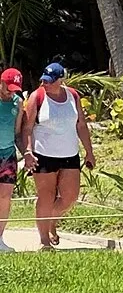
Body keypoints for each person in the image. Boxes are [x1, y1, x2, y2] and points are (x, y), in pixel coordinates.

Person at [19, 60, 94, 250]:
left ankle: (51, 221)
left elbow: (81, 125)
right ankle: (44, 240)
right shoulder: (37, 97)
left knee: (70, 197)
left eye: (50, 81)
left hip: (70, 153)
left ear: (61, 80)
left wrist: (89, 152)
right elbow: (26, 128)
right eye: (44, 80)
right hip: (43, 154)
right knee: (46, 196)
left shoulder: (73, 96)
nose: (45, 83)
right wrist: (28, 152)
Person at [0, 69, 23, 252]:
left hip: (8, 154)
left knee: (5, 197)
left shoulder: (18, 102)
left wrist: (27, 153)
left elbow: (17, 132)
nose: (10, 92)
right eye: (8, 87)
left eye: (14, 89)